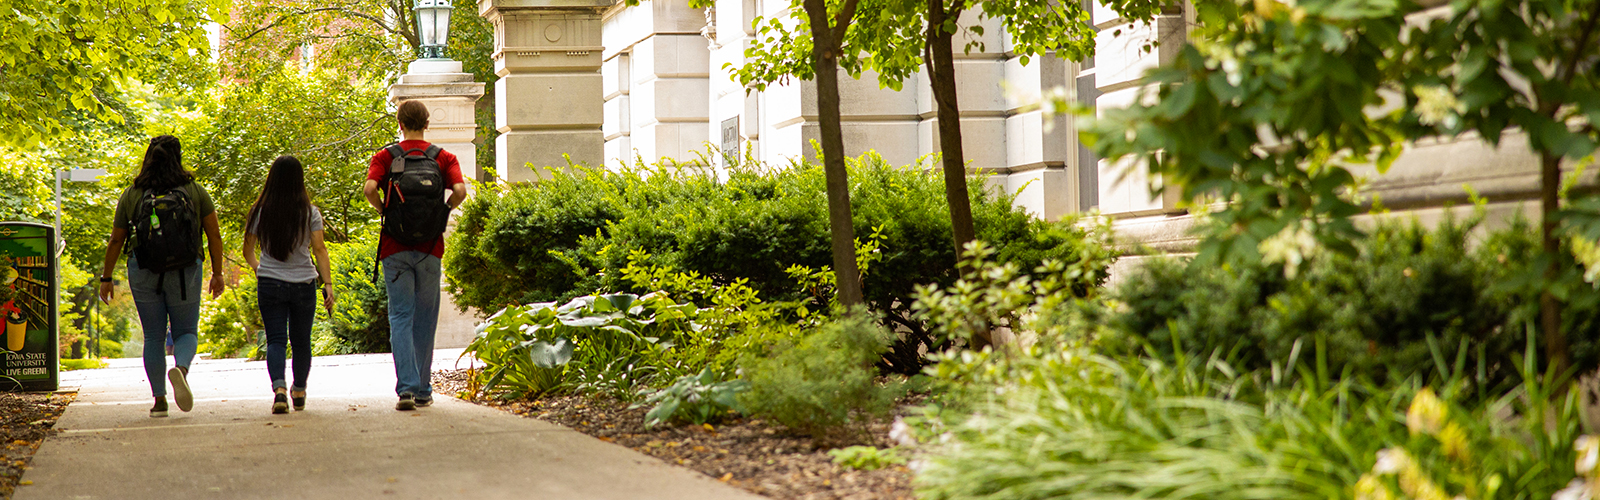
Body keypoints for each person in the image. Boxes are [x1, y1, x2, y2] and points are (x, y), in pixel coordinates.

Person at [99, 135, 226, 418]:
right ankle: (180, 369)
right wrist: (217, 273)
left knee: (154, 336)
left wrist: (106, 278)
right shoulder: (194, 190)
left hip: (144, 270)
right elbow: (214, 235)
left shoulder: (132, 194)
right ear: (177, 158)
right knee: (186, 332)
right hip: (186, 270)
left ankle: (159, 400)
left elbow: (116, 241)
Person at [364, 101, 467, 411]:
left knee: (400, 316)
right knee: (425, 319)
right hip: (430, 250)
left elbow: (370, 188)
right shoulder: (443, 157)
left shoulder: (386, 156)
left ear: (400, 123)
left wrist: (385, 211)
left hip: (394, 248)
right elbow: (460, 190)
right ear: (426, 123)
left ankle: (406, 389)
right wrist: (443, 212)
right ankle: (423, 389)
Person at [243, 156, 335, 414]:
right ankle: (300, 389)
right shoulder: (310, 212)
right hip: (303, 284)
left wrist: (260, 270)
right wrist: (327, 283)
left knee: (275, 340)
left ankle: (280, 390)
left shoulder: (259, 211)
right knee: (301, 341)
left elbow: (247, 249)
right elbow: (320, 249)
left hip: (270, 283)